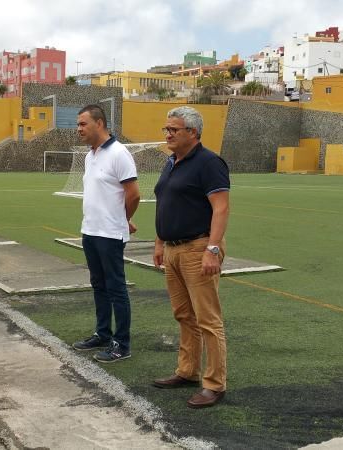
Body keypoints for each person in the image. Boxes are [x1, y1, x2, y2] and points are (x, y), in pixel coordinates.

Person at [151, 106, 230, 408]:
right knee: (184, 315)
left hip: (198, 248)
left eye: (174, 129)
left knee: (208, 319)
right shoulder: (171, 162)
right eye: (166, 129)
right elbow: (165, 204)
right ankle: (187, 371)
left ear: (193, 133)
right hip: (172, 249)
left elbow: (221, 208)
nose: (168, 134)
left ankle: (214, 384)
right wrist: (160, 243)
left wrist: (213, 248)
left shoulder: (209, 163)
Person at [71, 104, 140, 363]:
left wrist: (123, 219)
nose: (78, 129)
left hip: (110, 234)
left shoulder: (119, 153)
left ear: (99, 123)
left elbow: (133, 194)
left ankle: (121, 344)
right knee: (98, 285)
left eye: (82, 124)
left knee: (116, 288)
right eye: (78, 124)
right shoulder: (91, 155)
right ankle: (102, 333)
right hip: (90, 230)